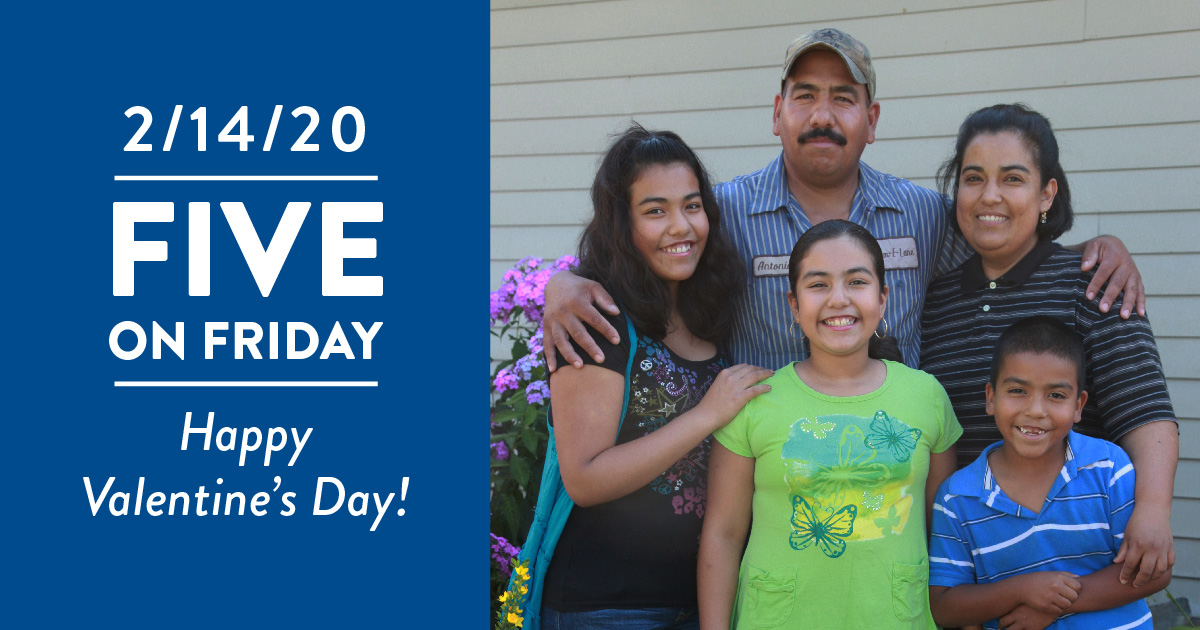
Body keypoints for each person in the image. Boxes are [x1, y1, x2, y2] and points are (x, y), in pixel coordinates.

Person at [541, 28, 1145, 373]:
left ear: (872, 119)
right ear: (777, 113)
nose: (822, 116)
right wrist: (562, 285)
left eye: (843, 98)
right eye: (804, 96)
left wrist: (1097, 249)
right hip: (766, 485)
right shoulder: (719, 215)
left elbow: (1005, 240)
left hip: (891, 485)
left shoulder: (924, 215)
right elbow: (639, 252)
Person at [920, 104, 1178, 588]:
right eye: (973, 179)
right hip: (975, 567)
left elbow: (1145, 412)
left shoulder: (1093, 283)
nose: (989, 196)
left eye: (1012, 179)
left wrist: (1153, 511)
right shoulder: (933, 302)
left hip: (1082, 558)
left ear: (1046, 194)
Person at [535, 124, 773, 630]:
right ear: (622, 224)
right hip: (607, 606)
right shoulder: (596, 317)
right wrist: (708, 414)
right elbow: (585, 478)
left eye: (691, 205)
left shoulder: (708, 310)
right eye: (655, 211)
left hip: (696, 600)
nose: (681, 226)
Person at [697, 220, 961, 629]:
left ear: (883, 297)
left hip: (896, 617)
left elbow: (942, 529)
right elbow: (723, 535)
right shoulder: (756, 402)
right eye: (818, 285)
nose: (839, 299)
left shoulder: (926, 396)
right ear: (793, 303)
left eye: (856, 281)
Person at [927, 316, 1171, 630]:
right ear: (991, 397)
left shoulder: (1108, 468)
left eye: (1056, 395)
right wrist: (1022, 590)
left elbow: (1155, 571)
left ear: (1079, 405)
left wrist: (1054, 605)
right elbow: (944, 607)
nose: (1036, 410)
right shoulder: (958, 497)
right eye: (1017, 390)